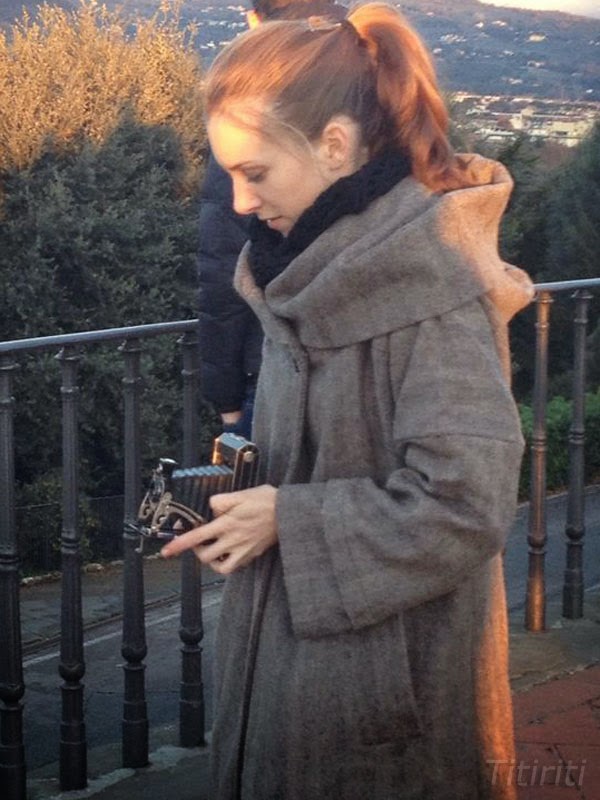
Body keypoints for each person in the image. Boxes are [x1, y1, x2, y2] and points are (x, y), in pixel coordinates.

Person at [163, 3, 534, 798]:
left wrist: (288, 521)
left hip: (387, 698)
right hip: (300, 670)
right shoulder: (306, 265)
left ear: (334, 144)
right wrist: (244, 502)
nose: (239, 203)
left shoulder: (431, 283)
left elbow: (467, 504)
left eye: (255, 173)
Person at [197, 0, 348, 438]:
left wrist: (224, 395)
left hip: (276, 372)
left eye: (255, 176)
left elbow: (223, 266)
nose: (244, 201)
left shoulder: (252, 114)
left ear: (254, 20)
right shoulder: (370, 97)